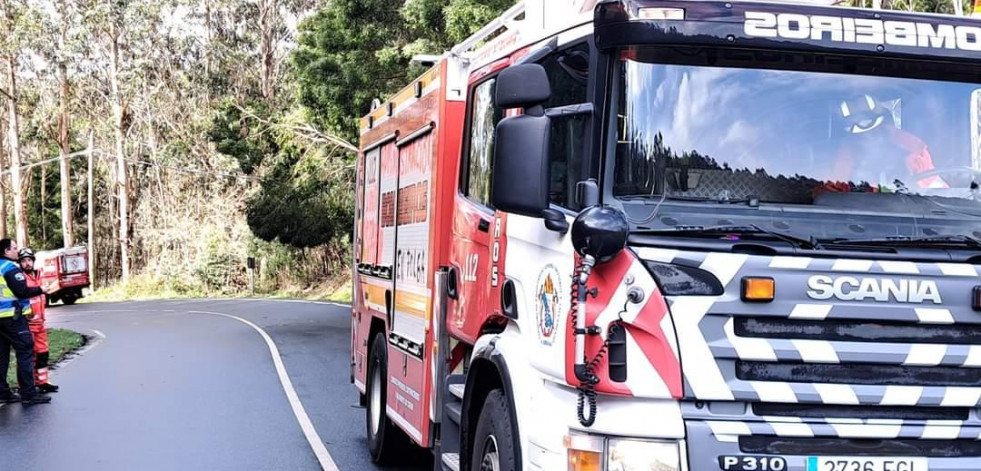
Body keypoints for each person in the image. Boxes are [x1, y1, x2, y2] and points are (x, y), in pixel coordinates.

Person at [832, 94, 948, 190]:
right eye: (861, 136)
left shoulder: (914, 150)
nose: (868, 137)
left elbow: (934, 187)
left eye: (872, 132)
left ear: (883, 126)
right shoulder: (846, 154)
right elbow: (836, 188)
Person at [0, 238, 57, 405]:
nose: (17, 251)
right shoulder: (10, 268)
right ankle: (28, 394)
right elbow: (22, 291)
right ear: (6, 251)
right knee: (26, 350)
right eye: (15, 248)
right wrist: (42, 289)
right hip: (12, 317)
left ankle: (3, 393)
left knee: (2, 356)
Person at [19, 247, 59, 393]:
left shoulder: (39, 275)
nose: (27, 263)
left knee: (43, 353)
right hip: (27, 324)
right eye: (23, 261)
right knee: (28, 356)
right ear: (20, 263)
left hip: (40, 323)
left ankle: (42, 382)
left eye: (29, 260)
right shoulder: (20, 277)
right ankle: (26, 386)